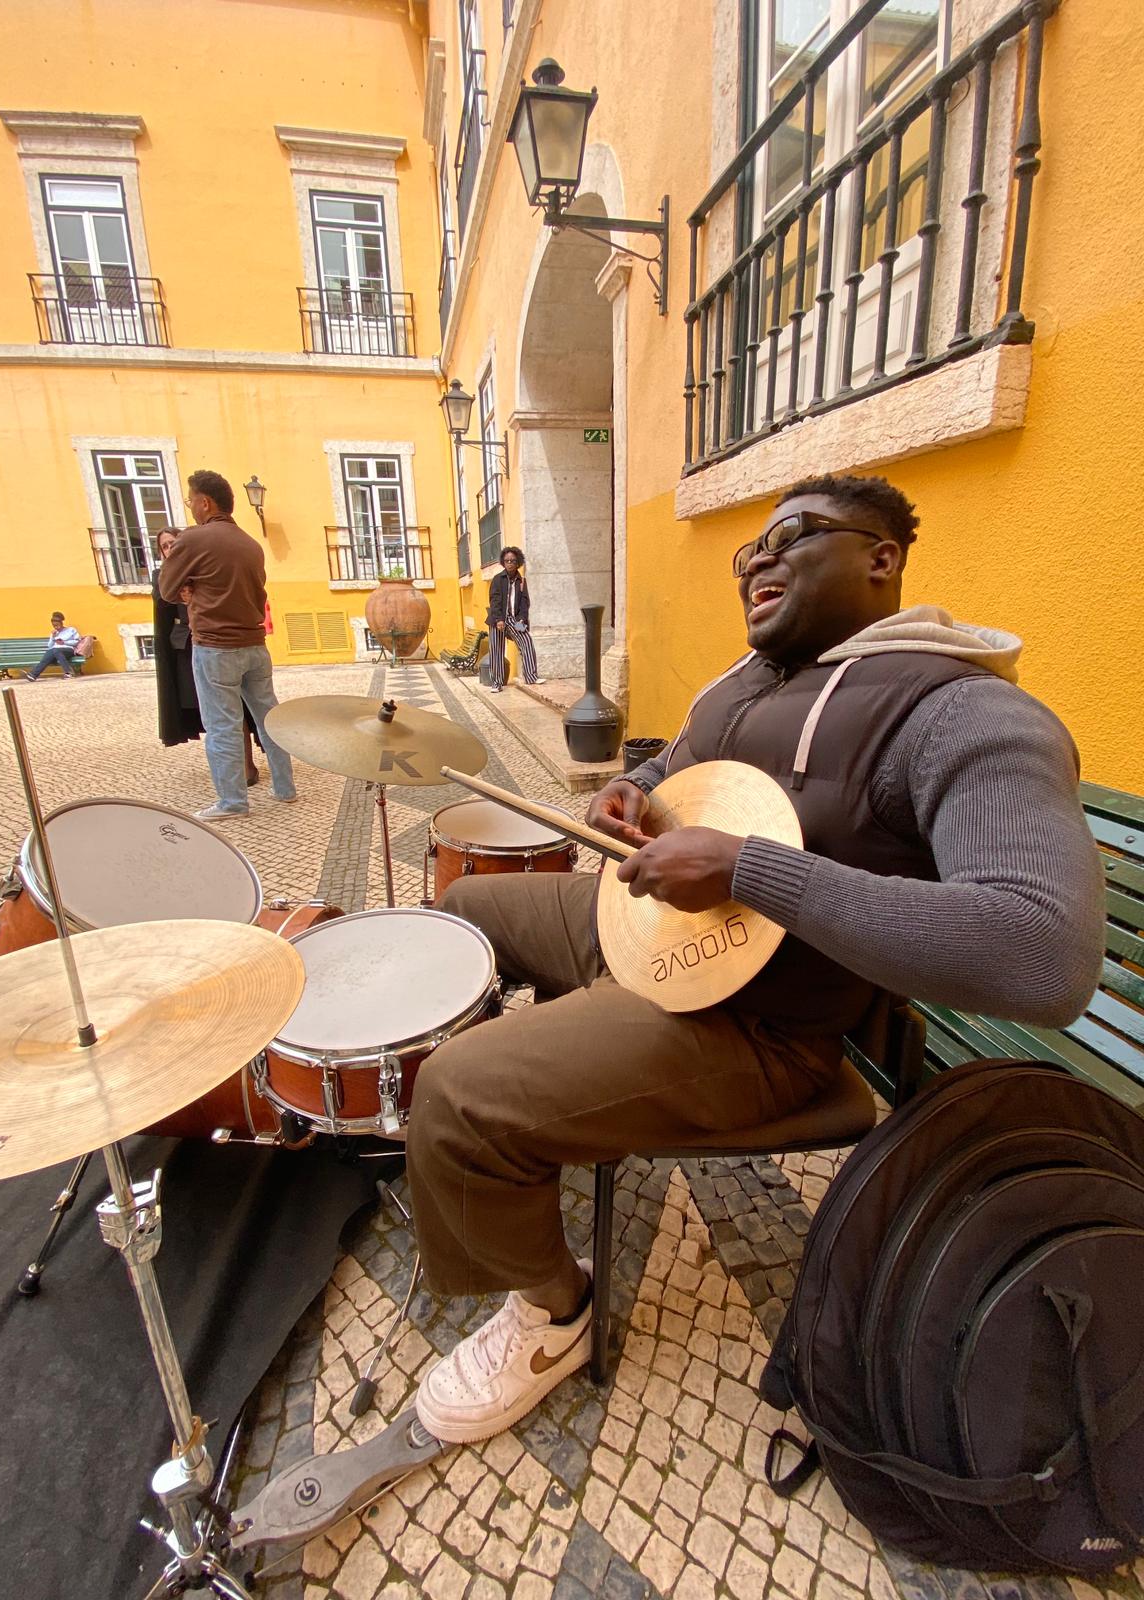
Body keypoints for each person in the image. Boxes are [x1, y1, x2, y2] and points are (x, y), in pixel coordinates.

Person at [406, 471, 1104, 1445]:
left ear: (882, 557)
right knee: (464, 908)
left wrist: (750, 870)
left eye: (798, 535)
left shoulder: (963, 714)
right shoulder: (743, 684)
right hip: (645, 931)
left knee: (458, 1086)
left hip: (760, 1027)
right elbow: (672, 761)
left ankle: (550, 1313)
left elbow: (1044, 955)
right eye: (749, 549)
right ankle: (501, 1165)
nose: (760, 558)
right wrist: (632, 792)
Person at [157, 470, 296, 820]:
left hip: (216, 647)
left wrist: (190, 589)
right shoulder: (251, 544)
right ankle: (285, 788)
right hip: (254, 645)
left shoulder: (193, 540)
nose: (190, 507)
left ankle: (233, 802)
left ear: (205, 502)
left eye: (191, 500)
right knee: (269, 718)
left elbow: (167, 588)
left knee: (223, 726)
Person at [152, 528, 262, 784]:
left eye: (173, 544)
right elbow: (163, 610)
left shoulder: (203, 571)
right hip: (186, 648)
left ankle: (245, 769)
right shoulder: (163, 577)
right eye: (165, 546)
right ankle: (226, 771)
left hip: (218, 644)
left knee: (232, 711)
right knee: (213, 715)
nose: (170, 549)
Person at [485, 546, 540, 692]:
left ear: (518, 563)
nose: (509, 563)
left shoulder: (521, 581)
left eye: (513, 561)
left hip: (515, 620)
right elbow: (494, 600)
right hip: (498, 619)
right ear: (503, 562)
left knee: (526, 640)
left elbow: (524, 602)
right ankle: (497, 683)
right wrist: (498, 619)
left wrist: (522, 619)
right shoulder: (498, 579)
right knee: (497, 650)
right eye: (507, 560)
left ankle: (531, 676)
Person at [24, 612, 81, 680]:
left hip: (68, 650)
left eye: (57, 625)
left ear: (61, 623)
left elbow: (77, 642)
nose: (56, 627)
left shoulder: (71, 630)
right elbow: (50, 646)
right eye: (54, 626)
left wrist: (64, 642)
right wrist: (53, 637)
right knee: (49, 652)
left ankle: (69, 672)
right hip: (55, 652)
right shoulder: (54, 633)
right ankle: (33, 675)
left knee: (55, 650)